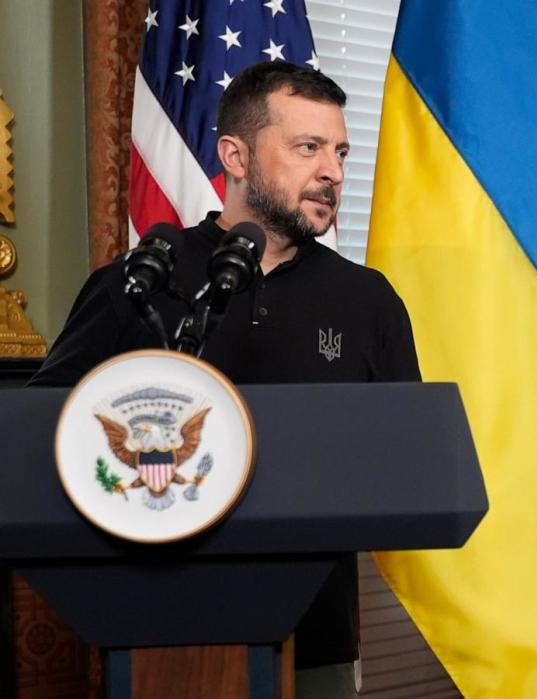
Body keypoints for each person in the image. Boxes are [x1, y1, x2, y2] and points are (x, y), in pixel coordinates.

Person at [30, 61, 419, 698]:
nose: (334, 171)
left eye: (341, 151)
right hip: (155, 627)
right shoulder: (141, 281)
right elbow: (43, 430)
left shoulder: (366, 300)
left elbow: (405, 461)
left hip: (315, 635)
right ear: (235, 155)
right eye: (308, 147)